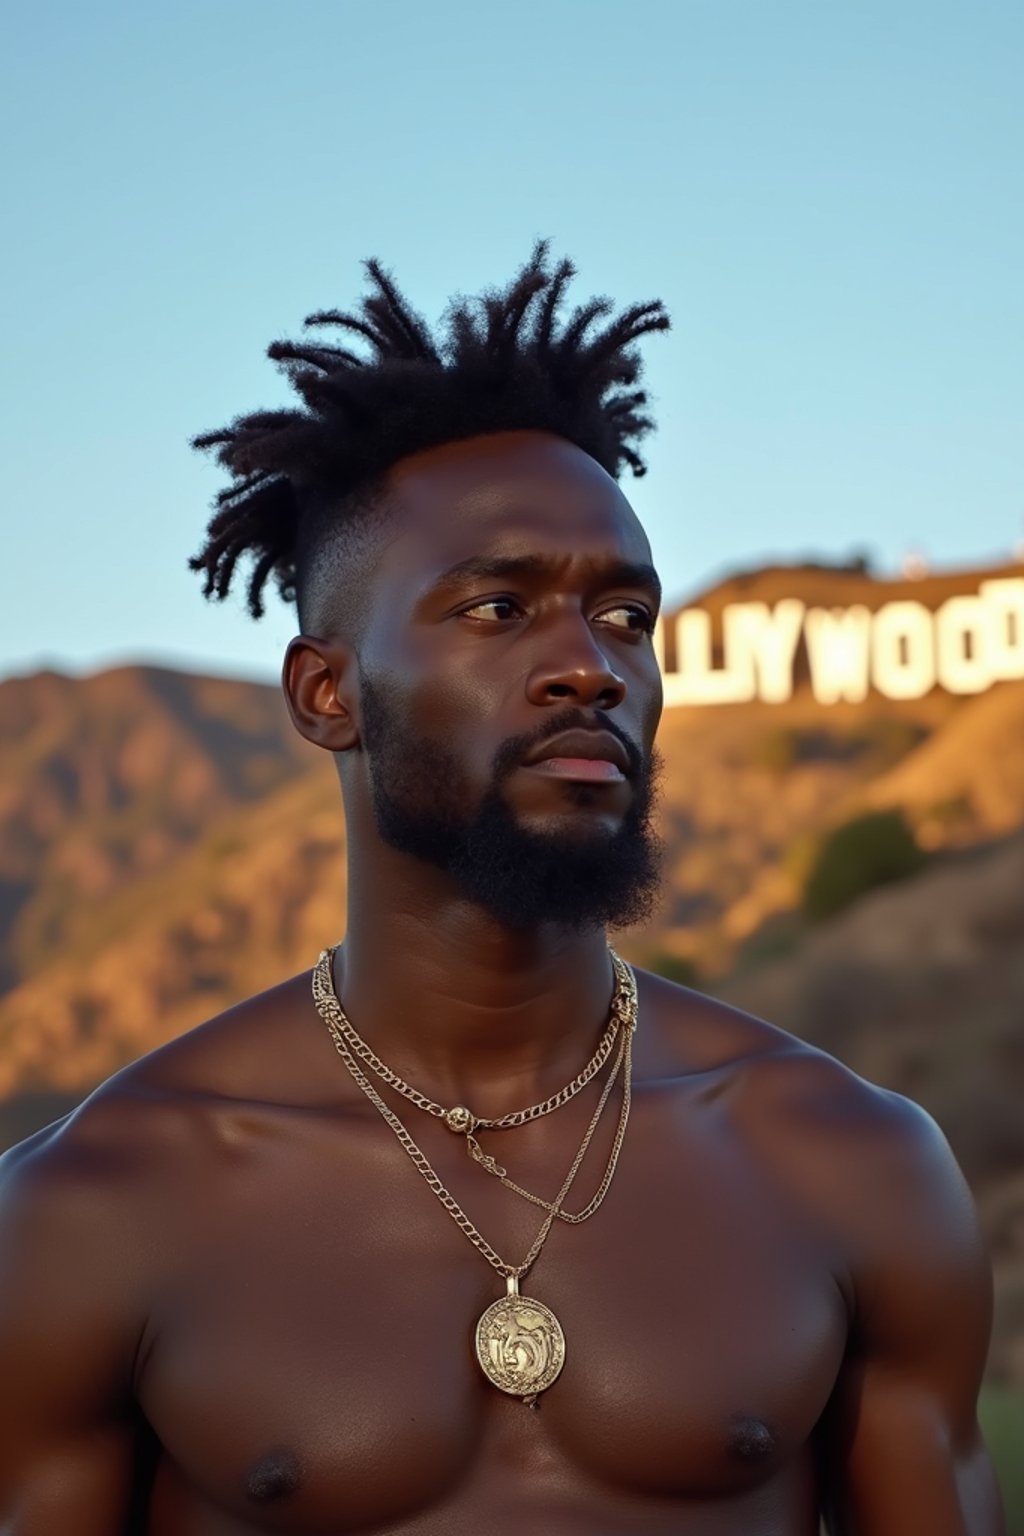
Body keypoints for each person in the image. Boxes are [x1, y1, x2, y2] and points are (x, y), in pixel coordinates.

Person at [0, 246, 1003, 1534]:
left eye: (627, 618)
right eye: (496, 607)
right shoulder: (96, 1208)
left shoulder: (848, 1163)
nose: (587, 666)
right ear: (326, 695)